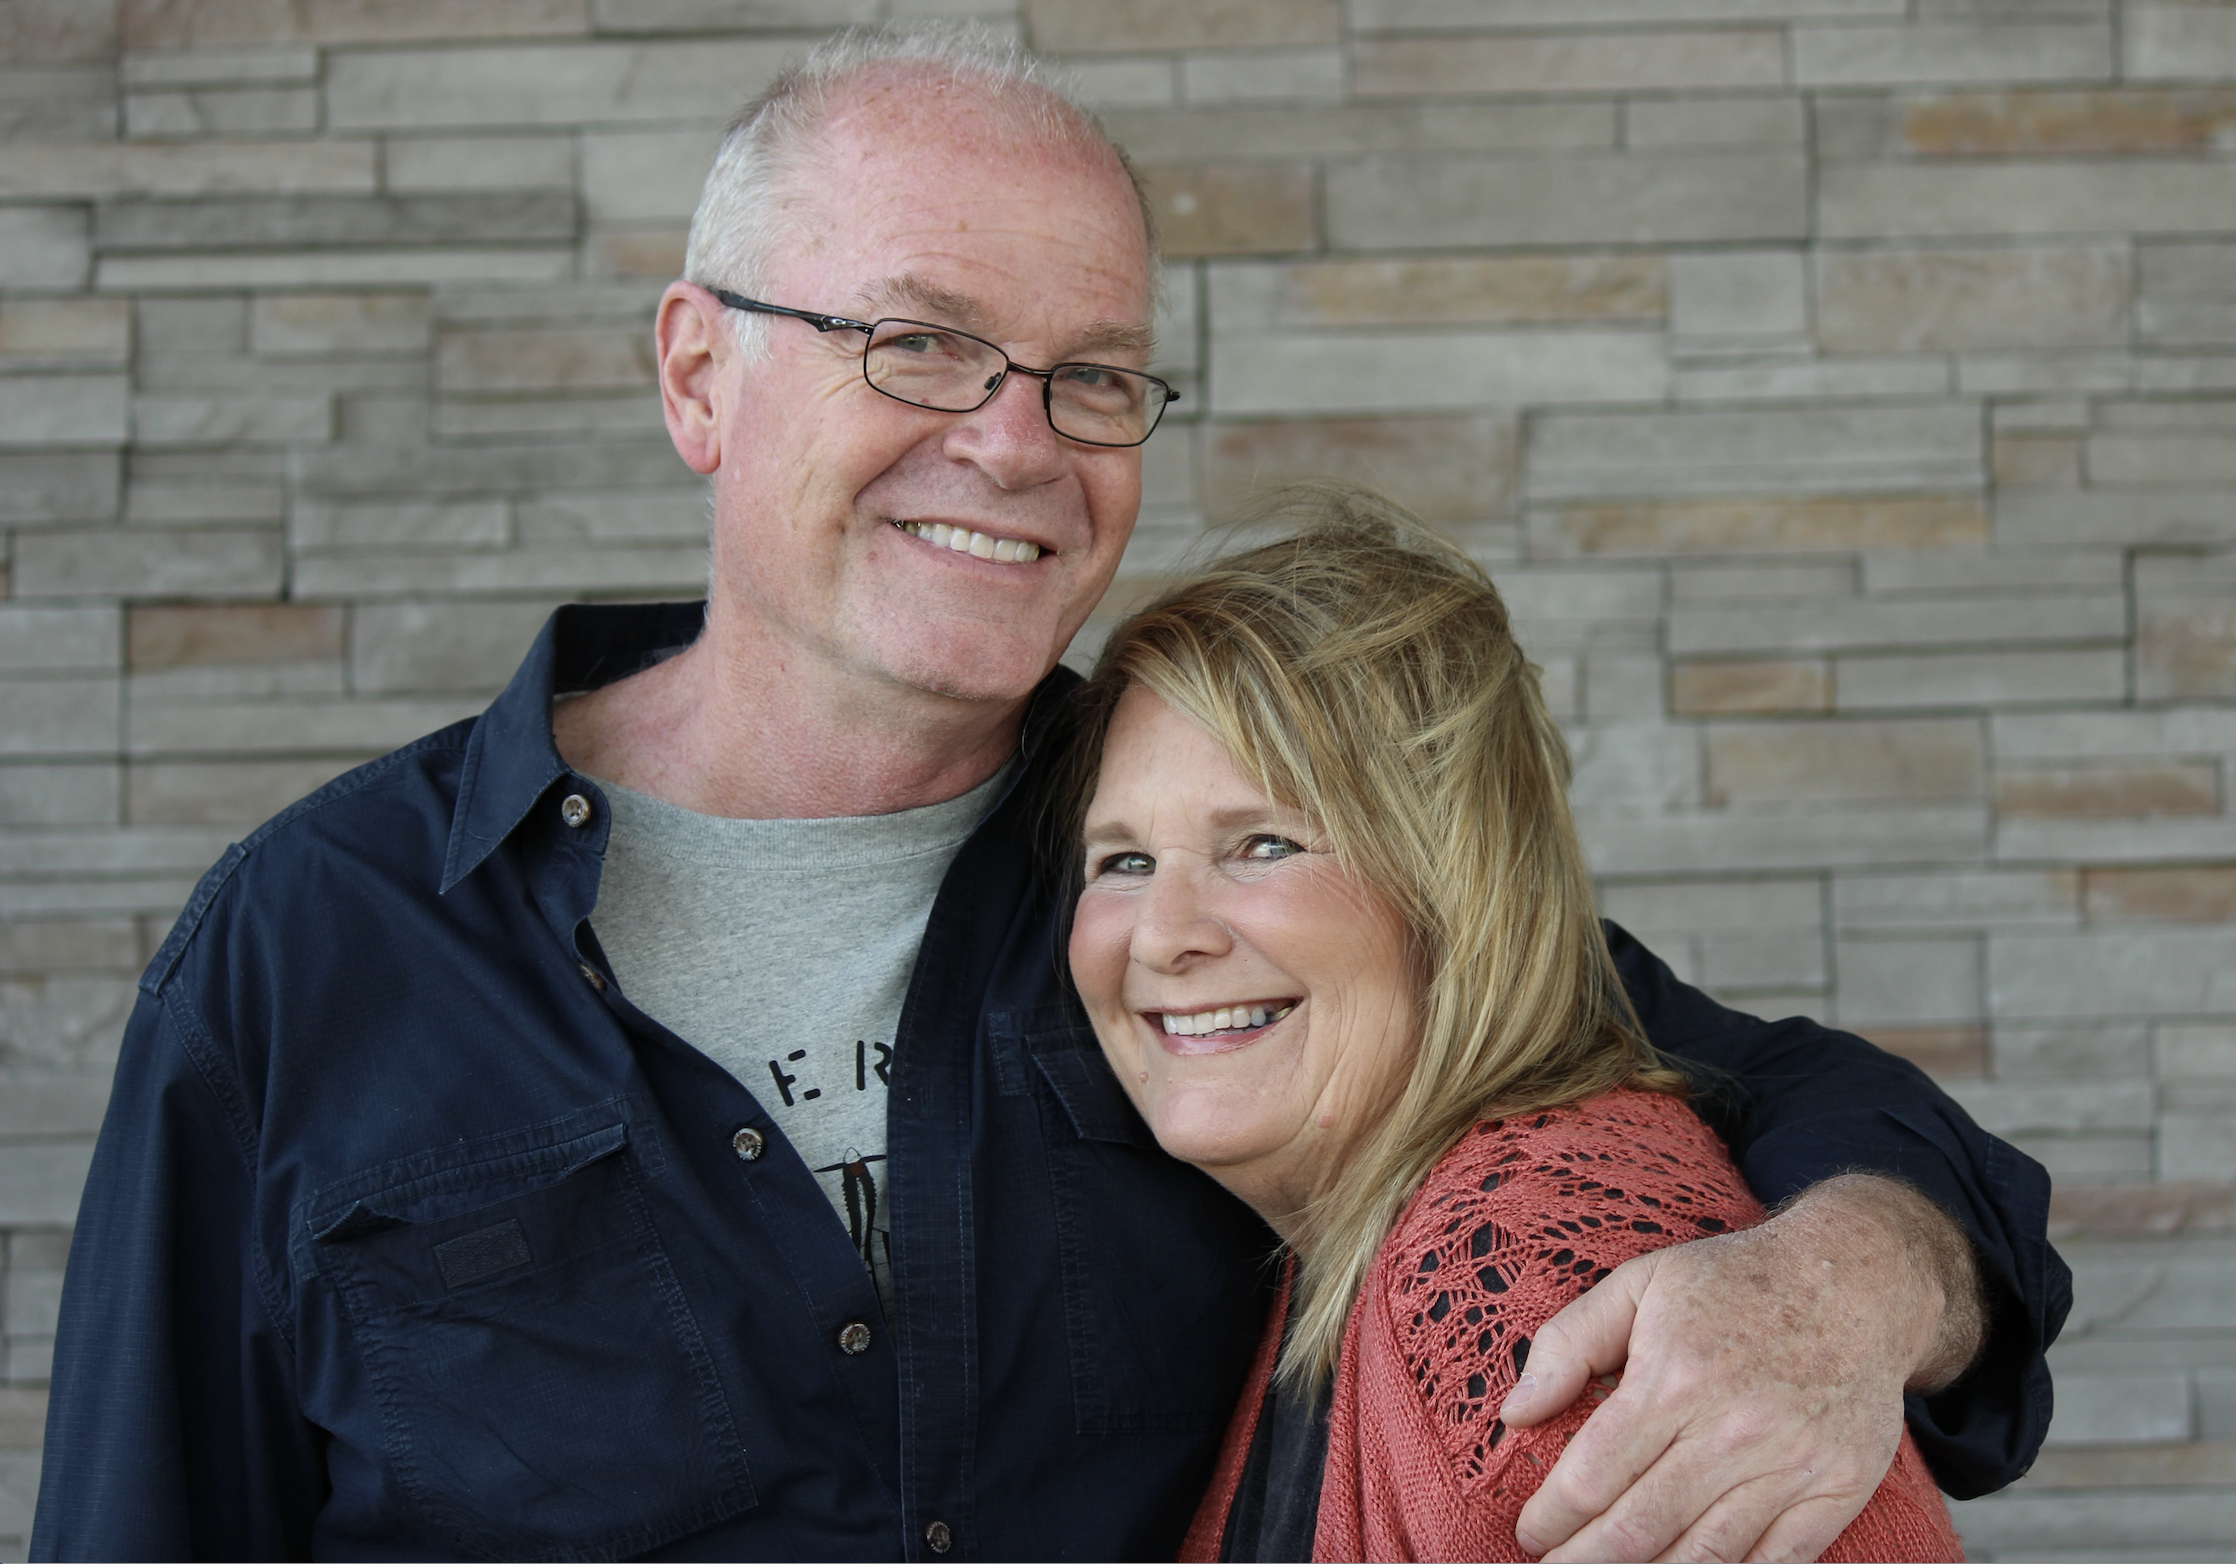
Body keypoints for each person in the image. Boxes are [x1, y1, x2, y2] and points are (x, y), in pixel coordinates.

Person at [32, 26, 2063, 1564]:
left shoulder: (1216, 876)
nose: (1017, 441)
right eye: (920, 343)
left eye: (1094, 374)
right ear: (696, 377)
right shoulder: (311, 948)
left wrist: (1831, 1283)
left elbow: (1777, 1104)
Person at [1061, 490, 1967, 1562]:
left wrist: (1865, 1265)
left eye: (1261, 842)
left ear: (1452, 892)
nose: (1160, 936)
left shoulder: (1523, 1290)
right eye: (1122, 860)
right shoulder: (1347, 1220)